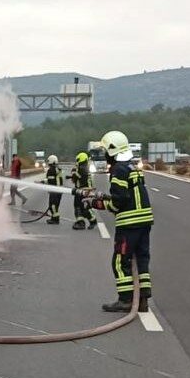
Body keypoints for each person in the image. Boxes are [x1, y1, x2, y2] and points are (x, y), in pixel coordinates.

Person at [85, 130, 152, 312]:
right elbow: (127, 195)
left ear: (111, 152)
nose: (104, 155)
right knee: (142, 259)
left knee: (120, 261)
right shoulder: (131, 167)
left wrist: (97, 203)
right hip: (144, 221)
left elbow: (118, 201)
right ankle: (143, 300)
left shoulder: (118, 171)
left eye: (106, 151)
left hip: (129, 223)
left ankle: (126, 299)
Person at [68, 151, 97, 230]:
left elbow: (77, 176)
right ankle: (89, 221)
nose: (76, 162)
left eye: (77, 160)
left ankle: (82, 223)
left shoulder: (82, 168)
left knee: (79, 207)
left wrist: (74, 172)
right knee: (82, 207)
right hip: (83, 190)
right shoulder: (84, 167)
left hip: (83, 191)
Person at [44, 155, 62, 223]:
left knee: (53, 205)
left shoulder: (51, 170)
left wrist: (42, 181)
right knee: (54, 205)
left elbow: (50, 180)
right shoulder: (57, 169)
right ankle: (54, 218)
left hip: (55, 190)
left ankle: (55, 219)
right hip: (58, 190)